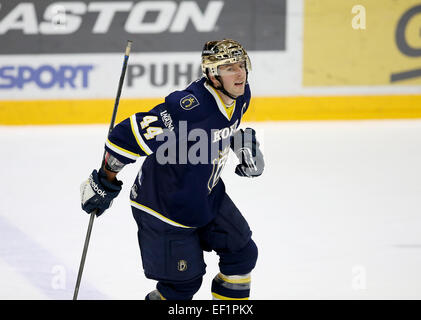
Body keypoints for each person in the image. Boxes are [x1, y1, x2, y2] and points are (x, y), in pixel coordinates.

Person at [80, 39, 265, 300]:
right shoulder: (188, 107)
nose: (240, 73)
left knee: (242, 255)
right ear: (213, 74)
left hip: (205, 195)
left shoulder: (240, 95)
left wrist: (241, 143)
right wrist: (105, 181)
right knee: (181, 287)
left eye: (241, 65)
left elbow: (219, 130)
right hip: (164, 206)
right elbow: (125, 135)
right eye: (229, 68)